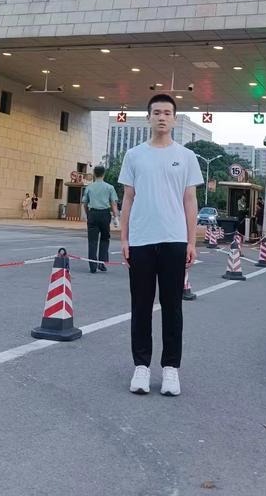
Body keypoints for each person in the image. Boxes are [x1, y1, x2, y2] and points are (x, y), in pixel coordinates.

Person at [119, 94, 203, 397]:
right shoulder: (134, 155)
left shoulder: (186, 156)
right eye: (157, 112)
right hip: (141, 240)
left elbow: (190, 200)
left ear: (174, 118)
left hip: (174, 240)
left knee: (172, 306)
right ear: (149, 118)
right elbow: (128, 198)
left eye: (167, 112)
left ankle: (170, 369)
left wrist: (191, 240)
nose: (162, 117)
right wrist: (124, 238)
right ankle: (141, 367)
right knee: (141, 306)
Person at [82, 165, 119, 273]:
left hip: (93, 213)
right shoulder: (109, 187)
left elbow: (85, 203)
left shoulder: (89, 187)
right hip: (105, 214)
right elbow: (113, 203)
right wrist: (115, 217)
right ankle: (102, 264)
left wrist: (88, 214)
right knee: (104, 239)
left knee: (92, 241)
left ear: (94, 173)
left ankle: (92, 266)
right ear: (104, 174)